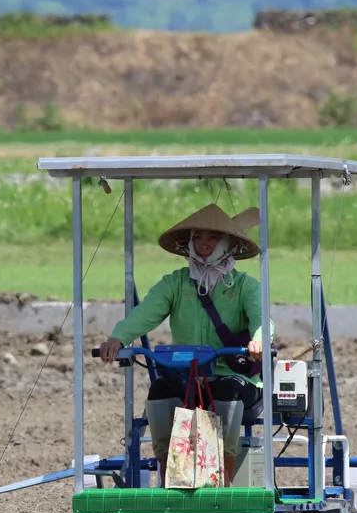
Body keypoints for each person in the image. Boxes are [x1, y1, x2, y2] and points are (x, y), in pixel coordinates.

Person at [97, 202, 274, 487]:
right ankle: (169, 476)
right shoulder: (176, 283)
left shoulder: (245, 286)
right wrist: (119, 337)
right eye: (198, 237)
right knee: (160, 390)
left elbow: (261, 319)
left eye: (212, 238)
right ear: (189, 244)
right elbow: (146, 313)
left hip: (235, 376)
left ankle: (223, 479)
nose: (204, 244)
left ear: (227, 245)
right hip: (186, 376)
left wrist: (259, 340)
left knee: (225, 391)